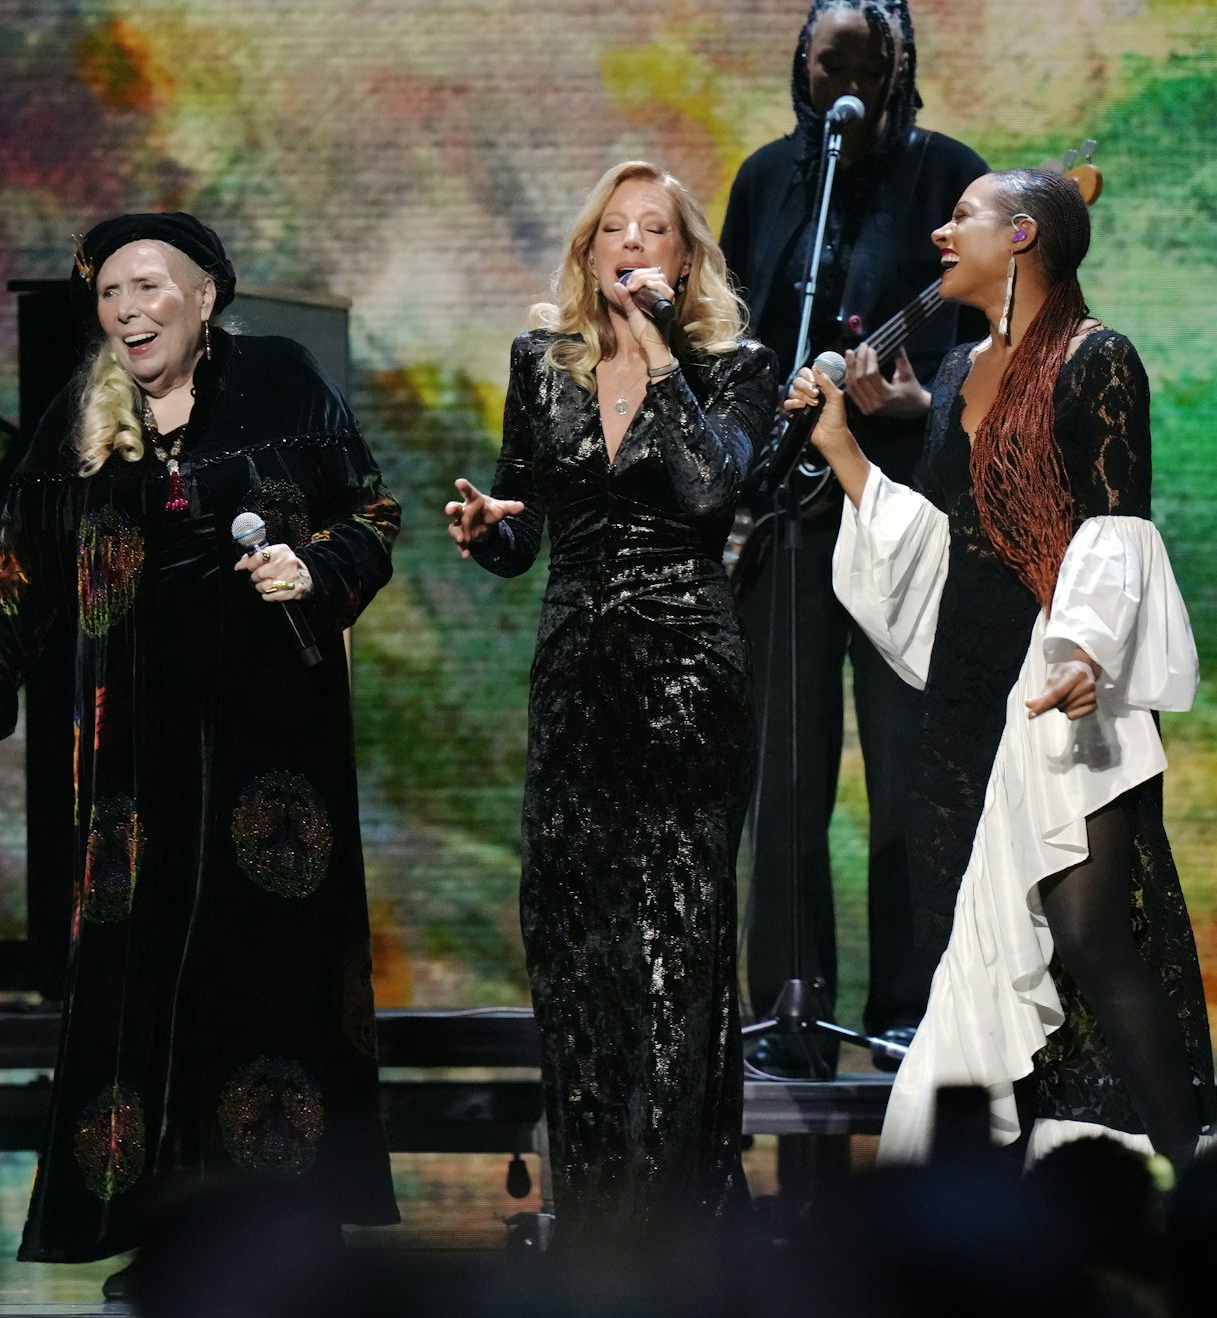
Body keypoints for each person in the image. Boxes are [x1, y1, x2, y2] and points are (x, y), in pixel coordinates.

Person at [0, 212, 400, 1295]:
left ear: (204, 299)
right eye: (109, 294)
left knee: (272, 987)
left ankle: (292, 1228)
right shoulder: (86, 421)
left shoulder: (282, 384)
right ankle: (170, 1230)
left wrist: (317, 566)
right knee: (148, 987)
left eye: (149, 288)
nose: (127, 310)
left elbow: (373, 513)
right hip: (135, 773)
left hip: (273, 763)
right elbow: (10, 572)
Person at [787, 167, 1215, 1169]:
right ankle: (996, 1225)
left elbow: (1114, 525)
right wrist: (843, 444)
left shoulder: (1096, 358)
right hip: (965, 702)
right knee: (978, 957)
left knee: (1092, 936)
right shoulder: (952, 373)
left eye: (963, 218)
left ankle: (1194, 1185)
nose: (941, 231)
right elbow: (947, 544)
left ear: (1021, 235)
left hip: (1064, 681)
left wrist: (1091, 652)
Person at [446, 161, 775, 1228]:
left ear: (685, 257)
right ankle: (594, 1226)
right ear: (591, 253)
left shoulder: (733, 368)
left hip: (686, 672)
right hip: (579, 674)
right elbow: (527, 523)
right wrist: (494, 528)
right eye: (614, 232)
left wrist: (656, 349)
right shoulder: (539, 362)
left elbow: (710, 489)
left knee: (676, 943)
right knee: (577, 942)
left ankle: (677, 1228)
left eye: (657, 230)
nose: (635, 246)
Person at [720, 0, 988, 1072]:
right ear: (801, 64)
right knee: (785, 778)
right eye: (827, 63)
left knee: (907, 771)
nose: (846, 87)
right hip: (786, 520)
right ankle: (788, 1011)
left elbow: (1004, 350)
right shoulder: (768, 179)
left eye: (866, 68)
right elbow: (732, 342)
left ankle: (908, 1008)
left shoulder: (951, 176)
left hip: (904, 515)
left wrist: (922, 407)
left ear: (899, 70)